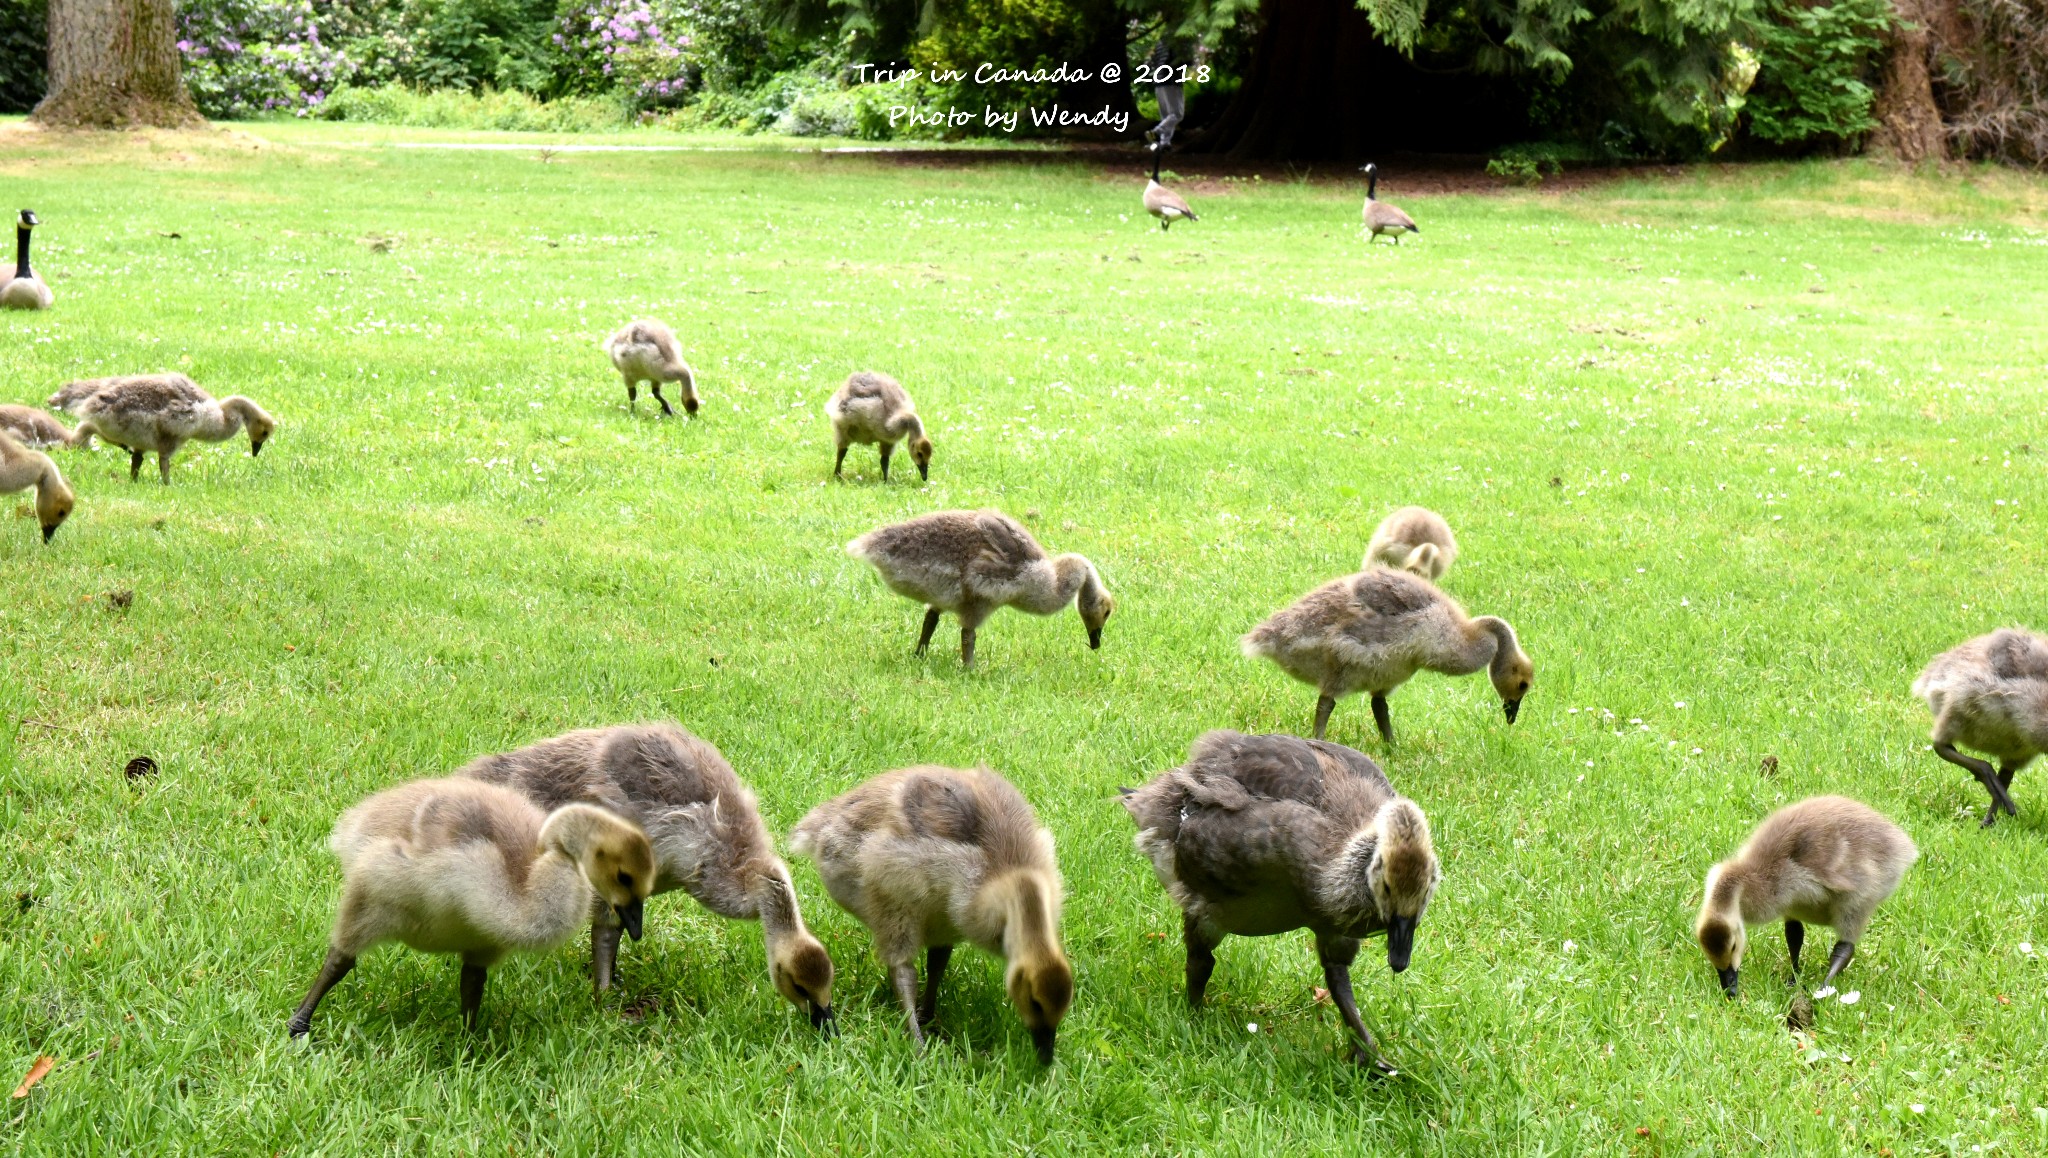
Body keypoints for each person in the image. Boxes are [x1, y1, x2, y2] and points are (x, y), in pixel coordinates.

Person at [1144, 36, 1190, 148]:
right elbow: (1179, 61)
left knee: (1166, 115)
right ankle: (1156, 132)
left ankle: (1165, 143)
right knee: (1177, 114)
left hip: (1158, 80)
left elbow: (1151, 62)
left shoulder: (1160, 42)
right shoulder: (1176, 43)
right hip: (1171, 80)